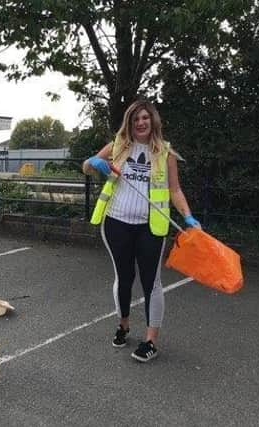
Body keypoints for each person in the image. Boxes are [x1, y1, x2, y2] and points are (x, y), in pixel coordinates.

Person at [82, 100, 200, 363]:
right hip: (116, 223)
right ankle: (123, 325)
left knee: (151, 282)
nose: (141, 123)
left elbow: (174, 189)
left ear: (153, 120)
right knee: (123, 278)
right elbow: (86, 168)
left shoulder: (165, 152)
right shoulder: (117, 146)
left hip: (151, 226)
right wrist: (93, 162)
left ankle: (150, 341)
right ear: (129, 122)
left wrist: (188, 216)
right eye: (136, 119)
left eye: (145, 118)